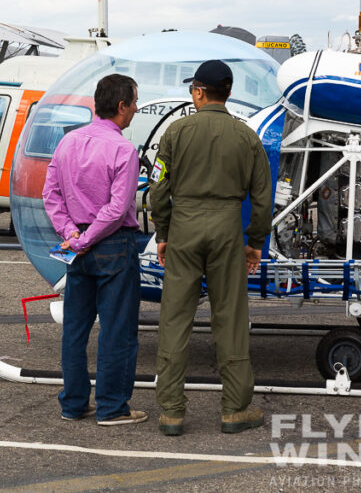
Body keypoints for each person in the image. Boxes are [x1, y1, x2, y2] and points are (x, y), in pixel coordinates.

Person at [149, 60, 272, 437]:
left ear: (199, 92)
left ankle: (171, 411)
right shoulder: (246, 137)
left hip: (184, 228)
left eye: (193, 90)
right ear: (229, 93)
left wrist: (165, 233)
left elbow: (157, 189)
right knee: (230, 319)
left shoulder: (176, 131)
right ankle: (235, 409)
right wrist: (254, 242)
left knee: (174, 317)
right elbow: (263, 199)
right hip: (226, 230)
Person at [42, 74, 147, 427]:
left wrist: (72, 234)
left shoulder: (68, 142)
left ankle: (73, 403)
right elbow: (118, 209)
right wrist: (87, 239)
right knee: (117, 330)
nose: (135, 109)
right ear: (121, 107)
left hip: (75, 247)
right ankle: (112, 407)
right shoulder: (123, 149)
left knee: (75, 328)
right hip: (113, 244)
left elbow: (50, 194)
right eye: (134, 102)